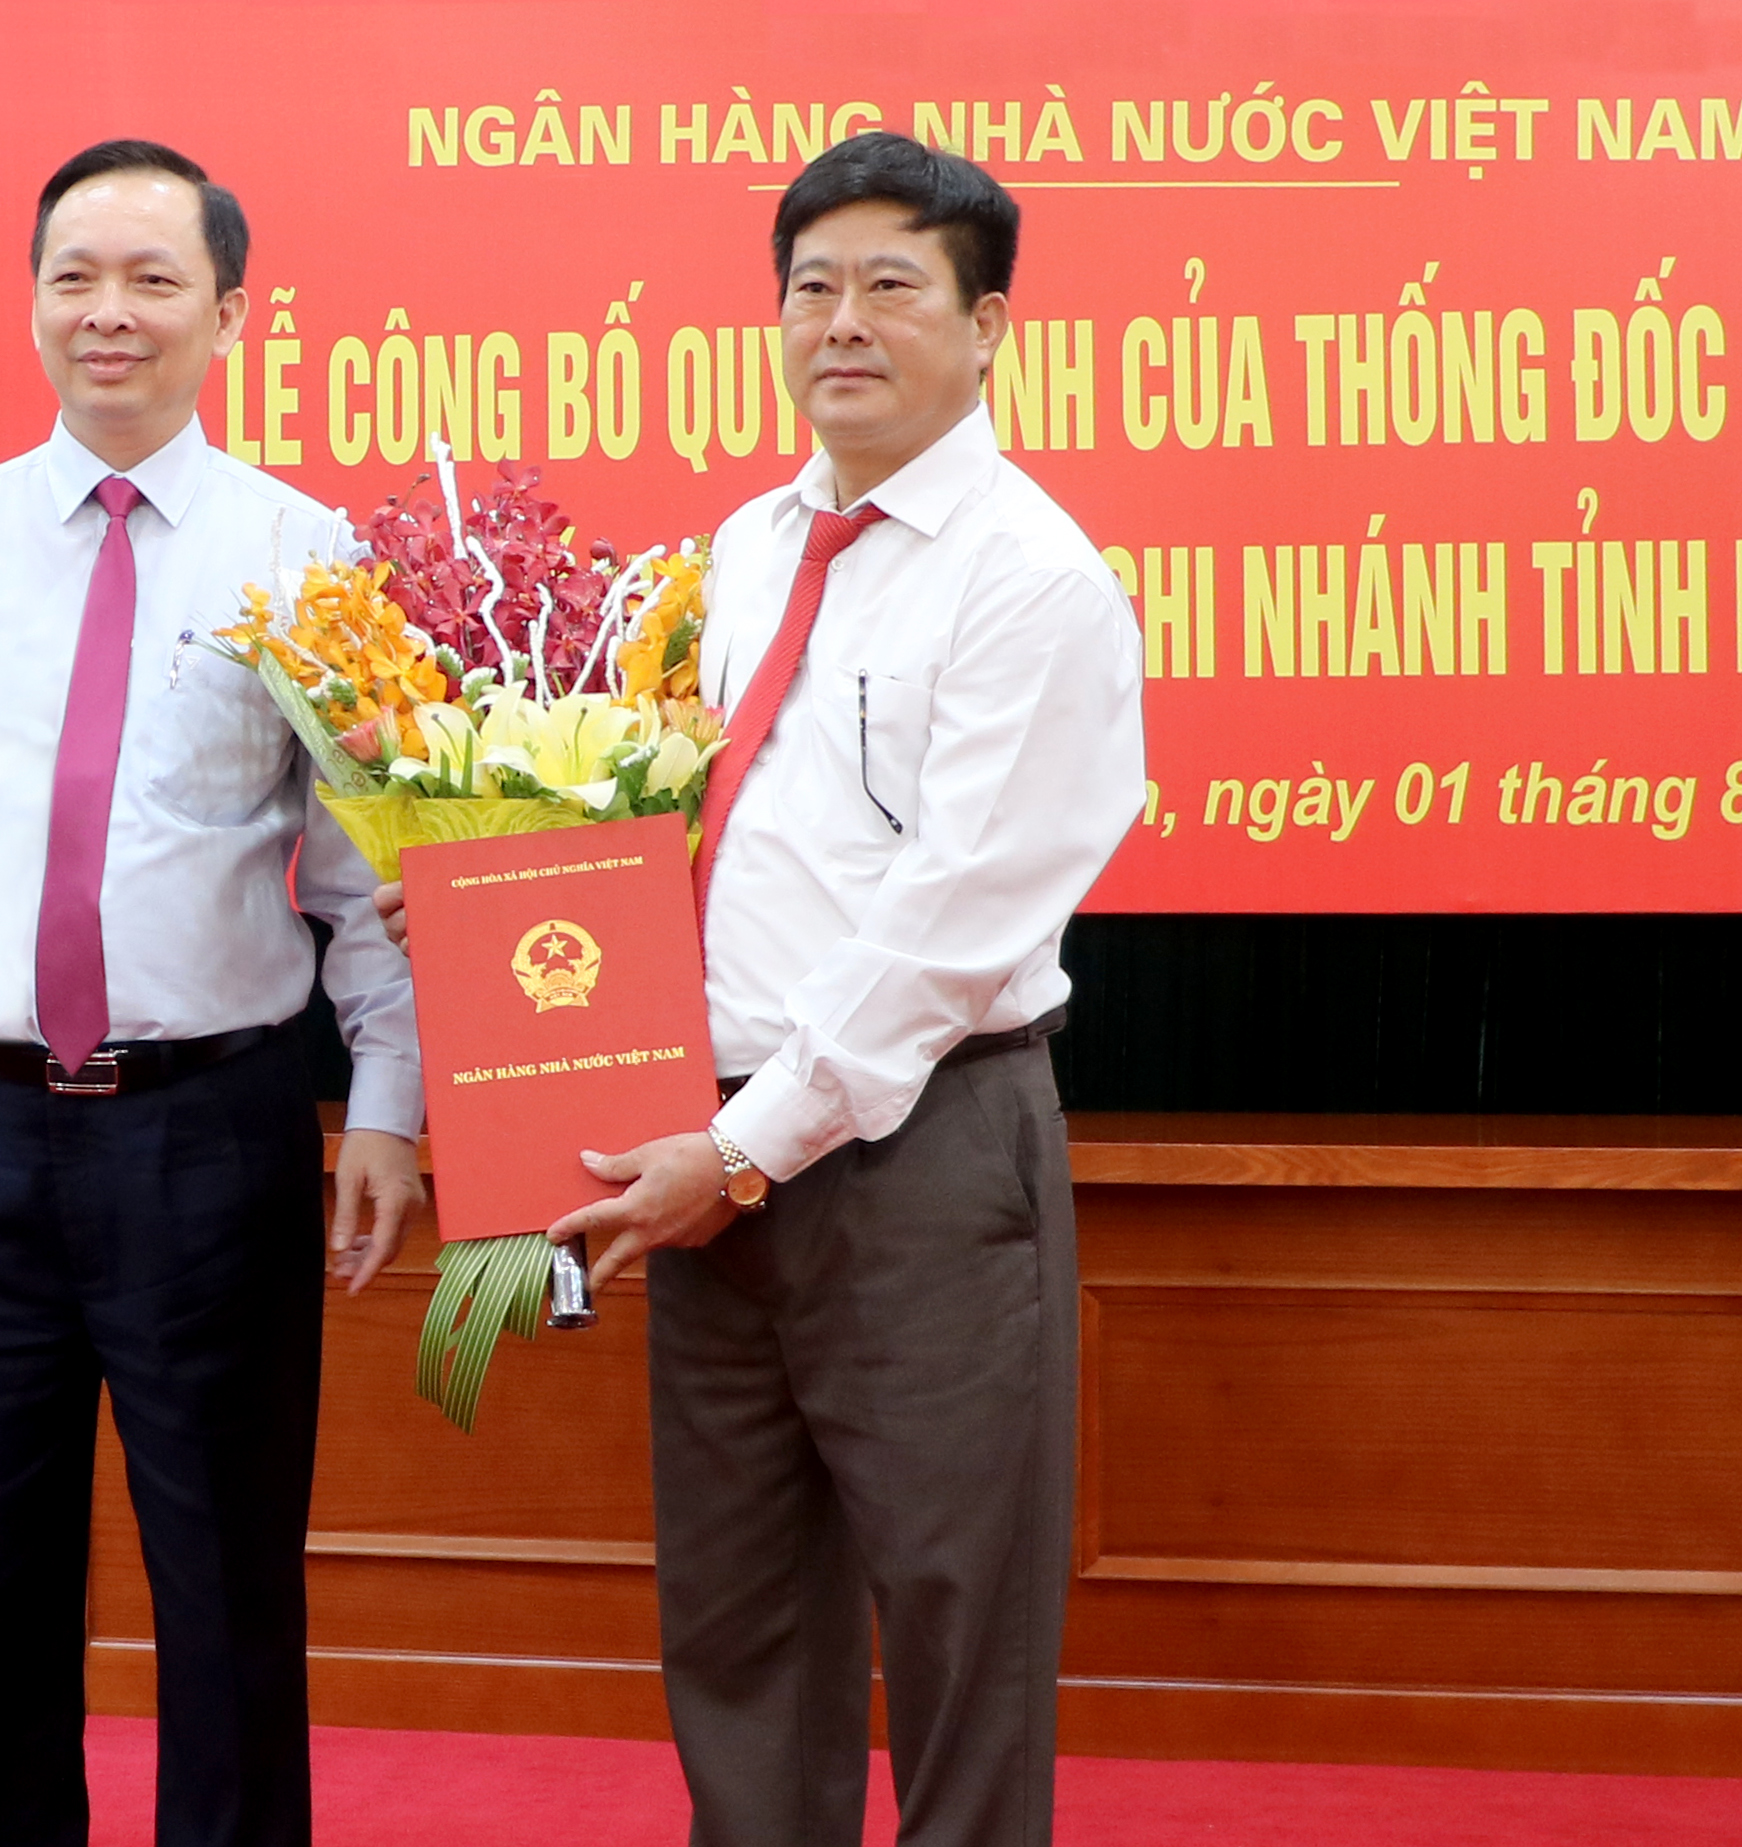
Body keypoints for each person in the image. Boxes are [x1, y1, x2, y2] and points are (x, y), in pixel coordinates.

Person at [446, 132, 1146, 1845]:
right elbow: (666, 827)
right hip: (707, 1157)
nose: (840, 320)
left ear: (987, 325)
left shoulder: (1031, 578)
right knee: (738, 1618)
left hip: (917, 1159)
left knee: (959, 1624)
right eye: (810, 285)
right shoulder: (743, 548)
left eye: (890, 285)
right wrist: (503, 954)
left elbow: (947, 926)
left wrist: (744, 1149)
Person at [0, 140, 426, 1847]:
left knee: (226, 1586)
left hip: (209, 1133)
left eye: (153, 278)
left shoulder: (307, 556)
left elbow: (369, 864)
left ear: (231, 311)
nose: (108, 312)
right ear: (31, 300)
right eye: (74, 275)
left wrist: (386, 1101)